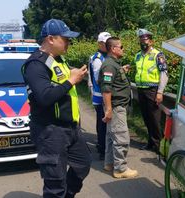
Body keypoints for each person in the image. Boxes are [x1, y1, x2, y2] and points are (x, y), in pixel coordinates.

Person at [21, 19, 91, 198]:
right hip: (50, 131)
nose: (69, 42)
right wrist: (71, 81)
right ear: (50, 39)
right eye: (65, 38)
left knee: (83, 164)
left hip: (71, 128)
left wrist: (75, 76)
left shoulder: (59, 60)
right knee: (55, 183)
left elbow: (60, 84)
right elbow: (44, 97)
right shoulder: (35, 64)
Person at [99, 36, 138, 178]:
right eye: (121, 47)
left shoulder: (114, 64)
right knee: (121, 137)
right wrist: (109, 109)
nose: (123, 49)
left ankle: (109, 163)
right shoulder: (109, 65)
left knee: (111, 136)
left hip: (115, 106)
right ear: (113, 49)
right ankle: (120, 169)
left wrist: (122, 70)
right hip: (116, 107)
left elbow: (112, 80)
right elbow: (106, 89)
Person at [134, 29, 168, 152]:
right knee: (146, 118)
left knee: (155, 119)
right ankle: (151, 142)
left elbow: (164, 74)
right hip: (141, 90)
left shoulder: (158, 55)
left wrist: (160, 92)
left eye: (145, 40)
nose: (143, 42)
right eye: (141, 40)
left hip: (152, 91)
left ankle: (159, 146)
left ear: (151, 41)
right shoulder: (137, 56)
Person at [87, 32, 111, 160]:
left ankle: (101, 146)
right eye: (105, 43)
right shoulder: (98, 59)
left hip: (103, 95)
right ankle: (102, 150)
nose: (108, 45)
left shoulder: (105, 56)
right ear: (100, 44)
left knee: (102, 123)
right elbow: (98, 78)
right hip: (100, 96)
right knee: (103, 124)